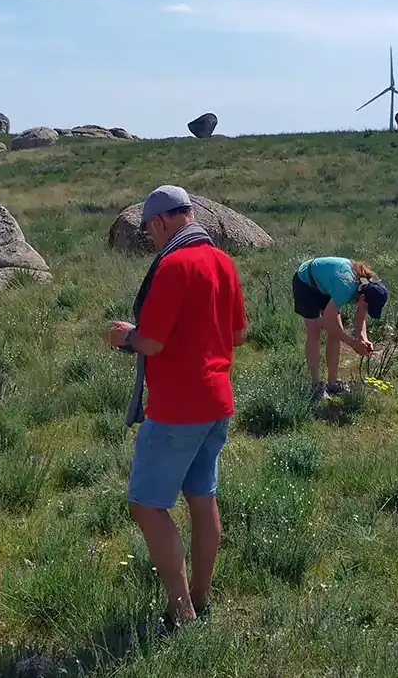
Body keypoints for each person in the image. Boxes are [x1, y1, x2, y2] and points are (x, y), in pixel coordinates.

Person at [106, 185, 247, 632]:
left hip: (177, 408)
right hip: (217, 402)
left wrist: (125, 337)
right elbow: (237, 334)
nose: (151, 238)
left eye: (149, 231)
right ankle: (202, 598)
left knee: (146, 506)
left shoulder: (173, 264)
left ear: (161, 221)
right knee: (202, 501)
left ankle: (181, 611)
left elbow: (151, 342)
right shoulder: (223, 261)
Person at [292, 256, 389, 398]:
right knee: (314, 332)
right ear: (363, 298)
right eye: (369, 307)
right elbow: (326, 322)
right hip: (306, 282)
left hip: (326, 285)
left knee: (336, 334)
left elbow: (360, 315)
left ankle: (332, 383)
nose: (367, 310)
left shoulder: (367, 288)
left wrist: (363, 338)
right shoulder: (346, 288)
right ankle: (316, 386)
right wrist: (352, 343)